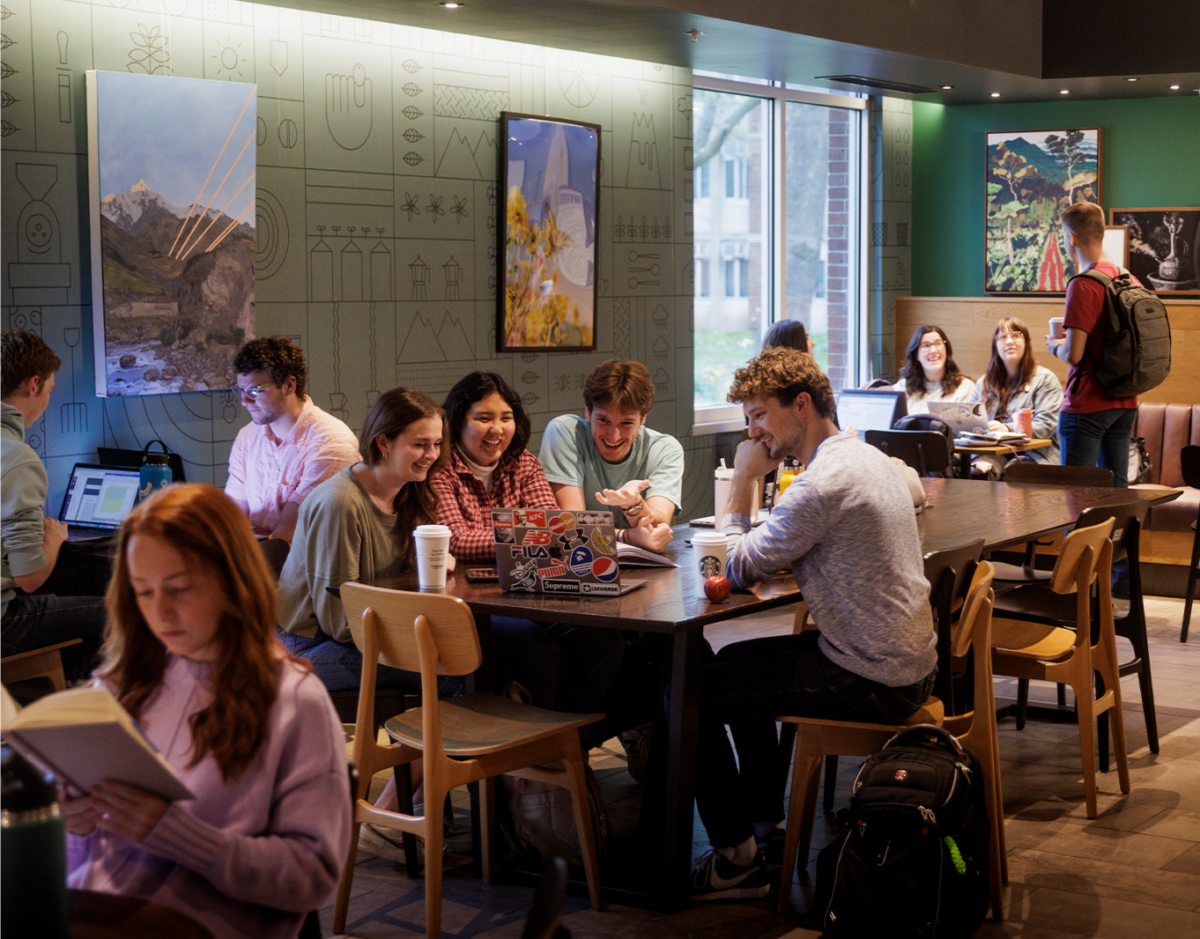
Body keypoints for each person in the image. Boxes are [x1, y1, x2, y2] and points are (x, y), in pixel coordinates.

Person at [688, 346, 937, 900]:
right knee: (733, 665)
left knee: (691, 691)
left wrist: (744, 480)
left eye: (758, 415)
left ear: (801, 405)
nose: (753, 432)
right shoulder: (868, 457)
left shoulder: (821, 485)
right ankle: (761, 828)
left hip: (869, 676)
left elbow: (736, 564)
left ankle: (735, 861)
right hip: (910, 666)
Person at [62, 484, 350, 939]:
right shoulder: (123, 682)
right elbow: (88, 860)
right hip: (101, 912)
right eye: (143, 592)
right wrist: (72, 821)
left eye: (179, 589)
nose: (160, 613)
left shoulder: (293, 700)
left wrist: (176, 833)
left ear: (231, 582)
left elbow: (311, 876)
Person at [432, 371, 624, 711]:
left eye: (506, 418)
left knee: (602, 640)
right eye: (484, 418)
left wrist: (523, 537)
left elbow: (552, 528)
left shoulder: (521, 461)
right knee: (532, 646)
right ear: (458, 421)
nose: (497, 429)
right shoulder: (440, 468)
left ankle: (567, 742)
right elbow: (457, 540)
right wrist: (524, 537)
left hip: (529, 591)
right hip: (473, 603)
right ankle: (537, 749)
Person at [275, 387, 461, 697]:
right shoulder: (341, 503)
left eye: (437, 444)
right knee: (452, 674)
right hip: (311, 646)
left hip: (367, 631)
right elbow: (339, 622)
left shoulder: (406, 491)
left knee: (481, 654)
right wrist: (410, 636)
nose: (432, 455)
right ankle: (437, 746)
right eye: (420, 444)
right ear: (384, 442)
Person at [0, 330, 107, 680]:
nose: (48, 398)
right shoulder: (17, 459)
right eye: (50, 390)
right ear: (33, 385)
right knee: (117, 611)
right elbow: (30, 578)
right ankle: (85, 715)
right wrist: (54, 539)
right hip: (5, 623)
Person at [226, 337, 360, 543]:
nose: (244, 401)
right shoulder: (248, 436)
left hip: (307, 568)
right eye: (240, 390)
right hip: (261, 558)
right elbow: (232, 519)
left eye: (254, 391)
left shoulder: (331, 444)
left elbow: (286, 539)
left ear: (289, 386)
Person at [539, 360, 681, 554]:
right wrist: (627, 536)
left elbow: (658, 528)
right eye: (603, 420)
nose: (613, 436)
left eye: (626, 423)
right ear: (588, 412)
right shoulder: (565, 432)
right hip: (578, 562)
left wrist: (633, 503)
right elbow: (572, 526)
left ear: (643, 418)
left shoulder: (665, 449)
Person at [1051, 201, 1139, 487]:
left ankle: (1082, 536)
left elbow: (1075, 354)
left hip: (1087, 405)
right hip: (1125, 401)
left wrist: (1054, 345)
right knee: (1117, 491)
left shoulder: (1084, 284)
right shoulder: (1128, 279)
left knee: (1077, 496)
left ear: (1071, 238)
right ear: (1101, 234)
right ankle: (1117, 535)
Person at [969, 317, 1064, 474]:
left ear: (1027, 342)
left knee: (1014, 474)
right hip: (992, 451)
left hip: (1034, 454)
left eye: (1016, 335)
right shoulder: (984, 382)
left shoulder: (1045, 380)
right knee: (977, 472)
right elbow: (971, 423)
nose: (1009, 341)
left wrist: (1007, 428)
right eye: (1002, 337)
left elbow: (1046, 426)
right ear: (995, 345)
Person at [892, 325, 973, 415]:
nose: (933, 351)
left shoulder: (964, 387)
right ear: (916, 355)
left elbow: (969, 426)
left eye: (938, 343)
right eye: (926, 345)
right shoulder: (903, 387)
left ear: (946, 349)